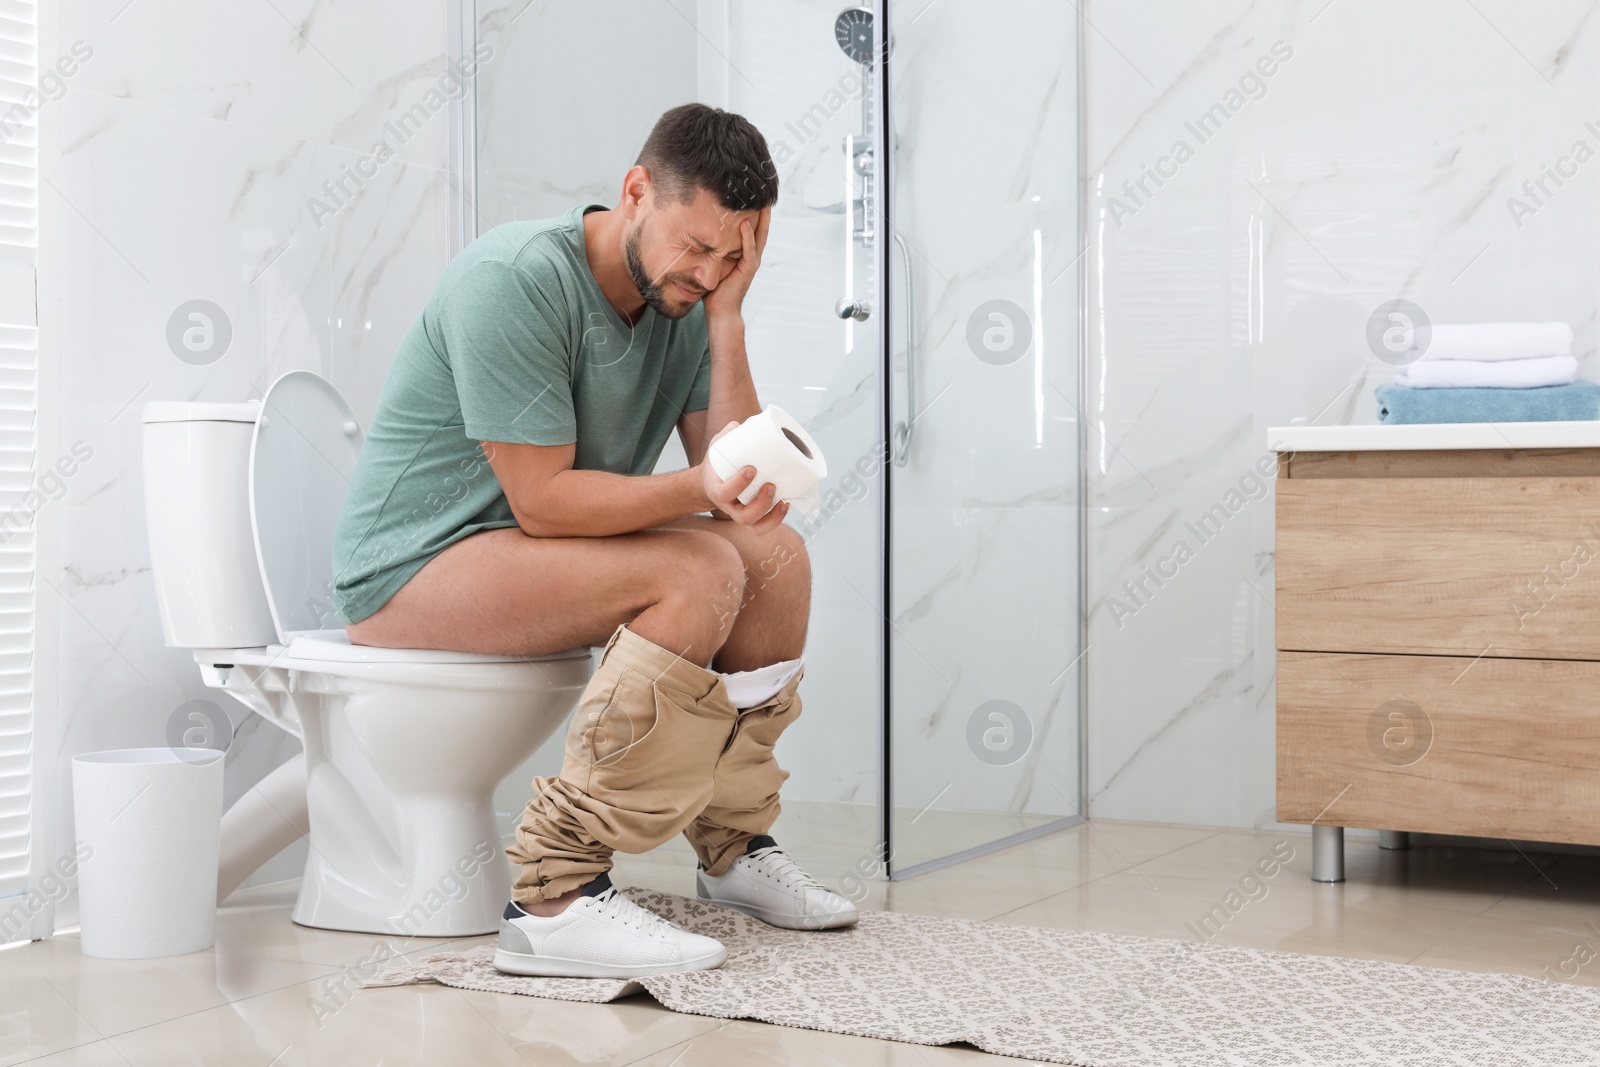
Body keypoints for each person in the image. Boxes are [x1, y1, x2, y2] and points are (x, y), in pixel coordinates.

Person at [330, 103, 856, 979]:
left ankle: (734, 849)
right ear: (636, 191)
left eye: (733, 256)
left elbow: (742, 482)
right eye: (696, 245)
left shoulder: (690, 303)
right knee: (696, 568)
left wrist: (726, 319)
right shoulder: (515, 278)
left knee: (773, 558)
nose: (708, 271)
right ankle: (556, 899)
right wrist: (704, 491)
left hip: (532, 558)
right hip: (413, 567)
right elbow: (541, 503)